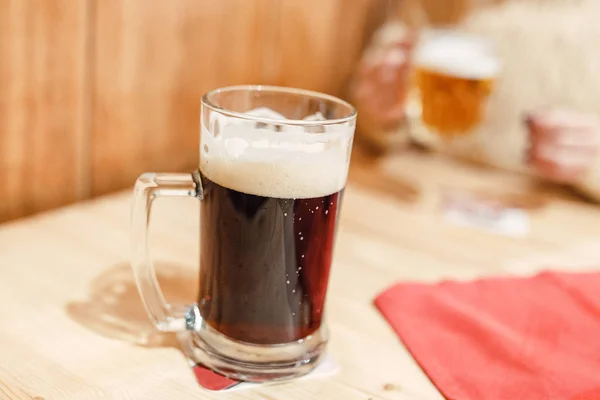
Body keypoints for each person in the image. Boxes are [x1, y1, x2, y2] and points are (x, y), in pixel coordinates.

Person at [350, 0, 600, 202]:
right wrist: (379, 107)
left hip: (554, 223)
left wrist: (593, 160)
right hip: (419, 198)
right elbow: (367, 112)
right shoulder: (433, 7)